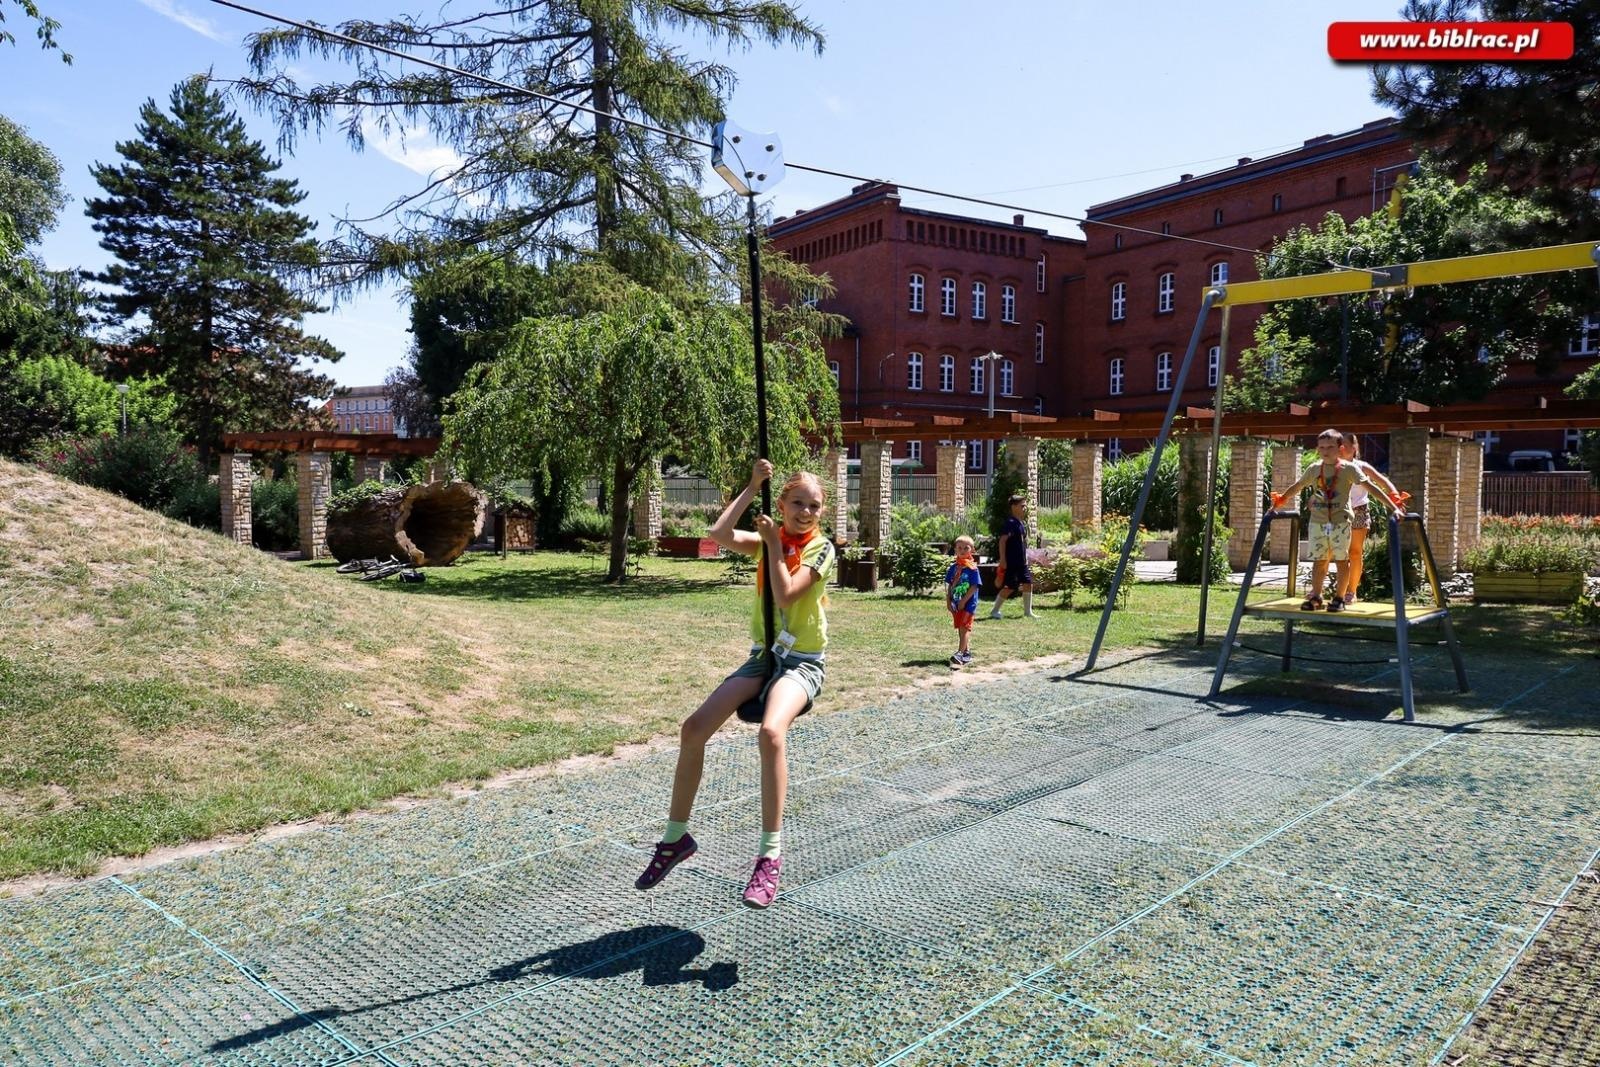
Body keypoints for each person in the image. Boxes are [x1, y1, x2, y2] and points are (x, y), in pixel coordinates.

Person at [634, 459, 834, 909]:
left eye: (814, 506)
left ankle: (769, 857)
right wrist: (750, 487)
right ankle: (675, 839)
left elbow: (785, 594)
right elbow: (719, 533)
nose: (805, 511)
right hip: (763, 658)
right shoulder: (771, 540)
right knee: (694, 728)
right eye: (797, 502)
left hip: (801, 663)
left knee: (770, 732)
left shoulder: (821, 549)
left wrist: (771, 545)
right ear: (781, 504)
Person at [1272, 429, 1401, 612]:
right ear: (1317, 449)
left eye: (1330, 447)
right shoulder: (1315, 468)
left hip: (1340, 522)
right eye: (1322, 447)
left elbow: (1372, 488)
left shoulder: (1350, 469)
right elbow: (1298, 486)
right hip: (1318, 522)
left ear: (1340, 448)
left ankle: (1340, 598)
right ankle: (1316, 596)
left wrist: (1393, 505)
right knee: (1319, 560)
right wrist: (1280, 501)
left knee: (1342, 559)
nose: (1326, 451)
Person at [1334, 434, 1406, 605]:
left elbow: (1384, 482)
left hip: (1359, 511)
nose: (1341, 449)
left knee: (1355, 552)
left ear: (1354, 447)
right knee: (1338, 554)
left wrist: (1395, 499)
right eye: (1339, 446)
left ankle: (1352, 592)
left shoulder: (1361, 466)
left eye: (1344, 445)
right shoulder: (1333, 467)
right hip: (1339, 512)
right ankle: (1338, 592)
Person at [989, 494, 1037, 619]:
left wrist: (1025, 558)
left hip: (1022, 563)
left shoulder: (1020, 523)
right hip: (1012, 563)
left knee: (1028, 583)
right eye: (1022, 506)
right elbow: (1002, 541)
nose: (1024, 508)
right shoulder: (1010, 523)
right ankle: (994, 611)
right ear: (1014, 506)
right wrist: (1003, 560)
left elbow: (1021, 543)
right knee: (1010, 587)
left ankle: (1028, 612)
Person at [945, 535, 981, 667]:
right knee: (960, 628)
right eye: (959, 548)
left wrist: (964, 601)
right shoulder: (954, 568)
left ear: (972, 549)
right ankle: (966, 653)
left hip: (968, 604)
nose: (962, 550)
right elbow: (949, 585)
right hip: (955, 603)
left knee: (964, 627)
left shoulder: (972, 568)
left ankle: (959, 653)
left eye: (966, 548)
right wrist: (949, 601)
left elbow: (974, 586)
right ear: (955, 549)